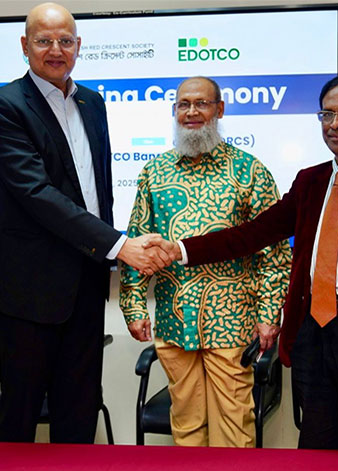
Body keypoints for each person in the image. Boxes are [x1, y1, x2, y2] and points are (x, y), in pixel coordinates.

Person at [146, 74, 338, 471]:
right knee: (319, 462)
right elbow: (252, 234)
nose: (334, 123)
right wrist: (180, 250)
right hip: (314, 339)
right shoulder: (310, 182)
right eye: (326, 114)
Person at [0, 2, 169, 444]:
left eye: (65, 40)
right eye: (44, 40)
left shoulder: (92, 102)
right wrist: (120, 245)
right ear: (25, 45)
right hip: (28, 289)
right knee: (22, 410)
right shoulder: (3, 106)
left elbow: (97, 190)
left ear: (78, 46)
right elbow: (36, 194)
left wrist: (109, 253)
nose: (56, 50)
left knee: (80, 406)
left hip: (85, 279)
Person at [120, 77, 291, 447]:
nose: (192, 112)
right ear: (174, 111)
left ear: (220, 109)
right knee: (186, 427)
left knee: (234, 428)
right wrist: (133, 306)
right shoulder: (154, 172)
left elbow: (275, 253)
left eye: (201, 103)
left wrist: (269, 313)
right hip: (174, 320)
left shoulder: (249, 171)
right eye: (183, 104)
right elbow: (137, 244)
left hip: (231, 321)